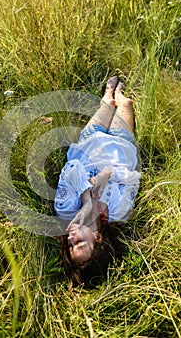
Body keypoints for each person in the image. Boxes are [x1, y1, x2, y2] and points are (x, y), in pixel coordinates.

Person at [54, 76, 141, 287]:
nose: (71, 239)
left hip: (89, 142)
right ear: (98, 238)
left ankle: (109, 94)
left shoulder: (65, 209)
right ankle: (118, 94)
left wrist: (86, 200)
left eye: (70, 246)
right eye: (80, 243)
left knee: (107, 103)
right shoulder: (119, 213)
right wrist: (107, 173)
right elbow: (133, 179)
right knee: (125, 103)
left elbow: (72, 168)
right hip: (121, 145)